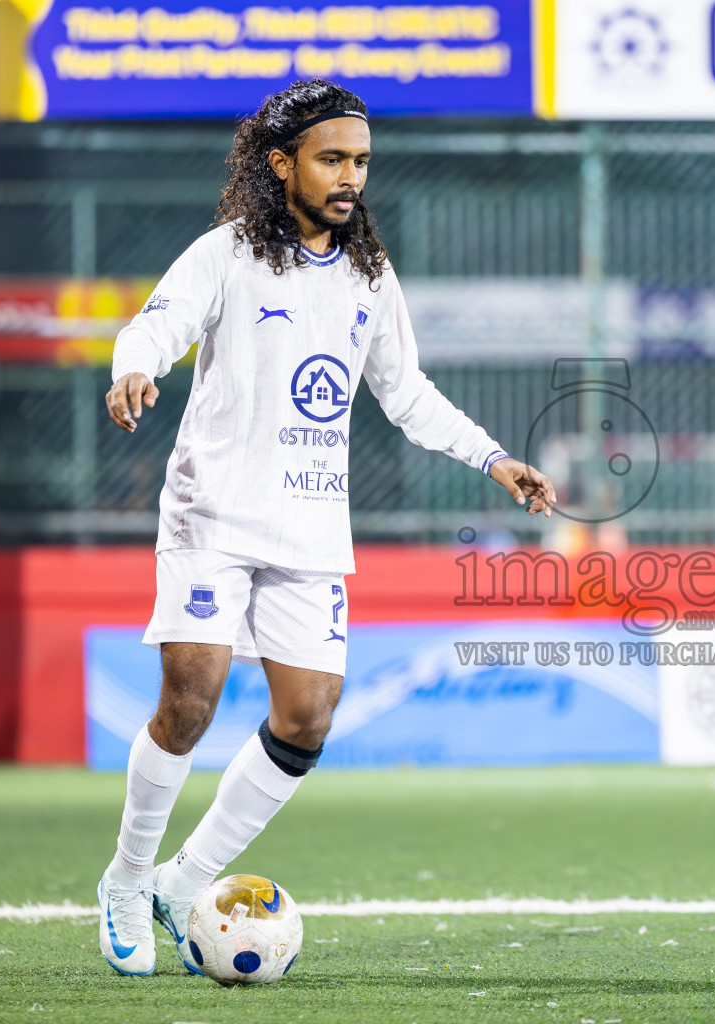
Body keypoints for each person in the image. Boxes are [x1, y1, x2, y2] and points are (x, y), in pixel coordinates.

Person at [95, 79, 556, 977]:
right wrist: (134, 369)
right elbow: (159, 324)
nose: (351, 177)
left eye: (361, 162)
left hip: (308, 526)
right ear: (281, 164)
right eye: (332, 159)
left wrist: (493, 457)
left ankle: (184, 880)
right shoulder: (227, 254)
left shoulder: (368, 277)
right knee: (190, 702)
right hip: (213, 512)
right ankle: (127, 877)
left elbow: (406, 392)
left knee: (306, 720)